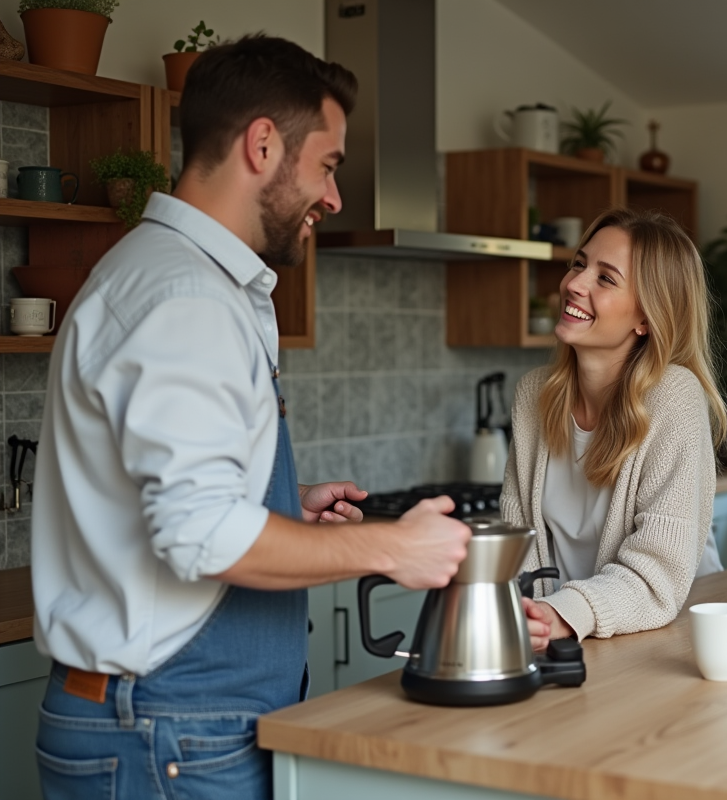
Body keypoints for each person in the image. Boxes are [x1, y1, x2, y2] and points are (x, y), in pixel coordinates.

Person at [31, 36, 470, 799]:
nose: (333, 199)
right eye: (328, 166)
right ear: (262, 144)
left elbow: (176, 501)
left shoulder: (195, 282)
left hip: (181, 723)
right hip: (167, 729)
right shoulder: (186, 300)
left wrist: (275, 510)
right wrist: (390, 546)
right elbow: (200, 535)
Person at [500, 207, 727, 651]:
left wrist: (560, 615)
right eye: (580, 264)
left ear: (646, 317)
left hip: (670, 640)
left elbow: (656, 575)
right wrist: (534, 617)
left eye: (605, 279)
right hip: (571, 638)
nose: (574, 284)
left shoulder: (674, 398)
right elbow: (519, 542)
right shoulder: (533, 396)